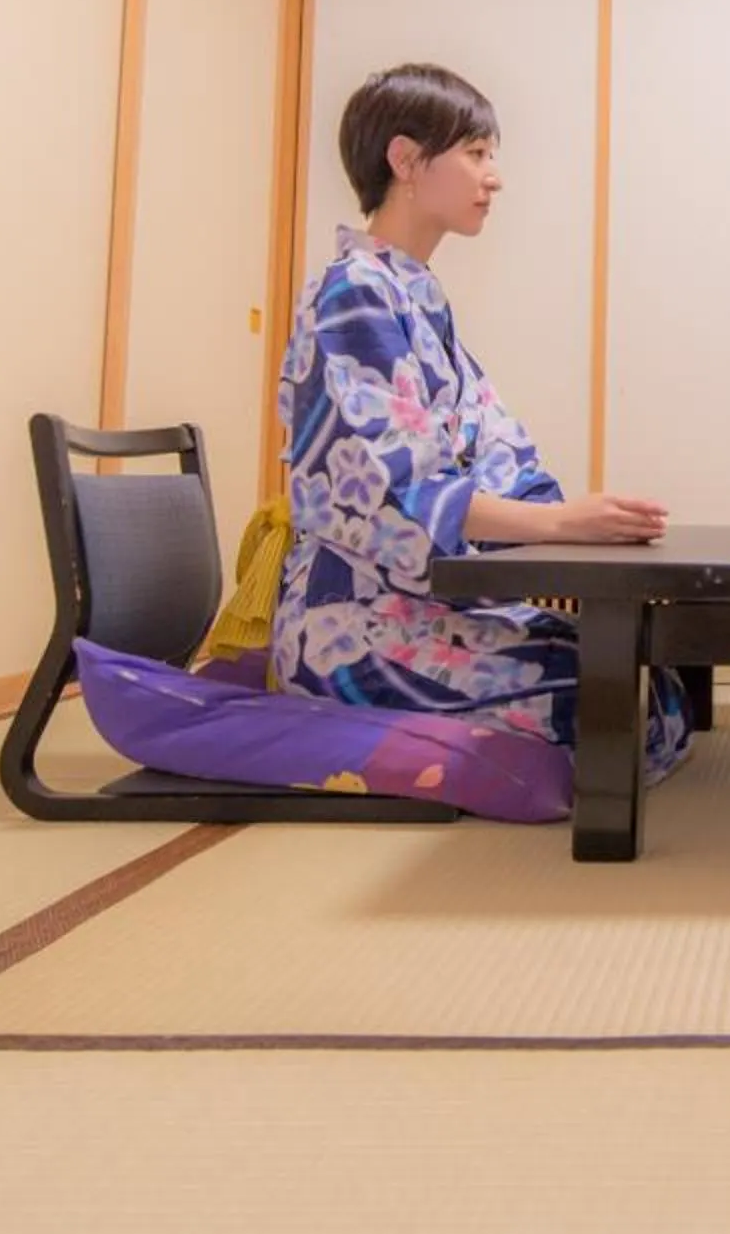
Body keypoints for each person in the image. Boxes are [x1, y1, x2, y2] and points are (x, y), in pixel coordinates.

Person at [272, 63, 691, 776]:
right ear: (405, 159)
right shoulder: (354, 296)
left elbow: (496, 447)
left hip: (414, 600)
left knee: (651, 677)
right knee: (613, 701)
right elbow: (384, 495)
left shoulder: (413, 295)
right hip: (352, 621)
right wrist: (562, 526)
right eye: (475, 153)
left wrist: (582, 525)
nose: (492, 176)